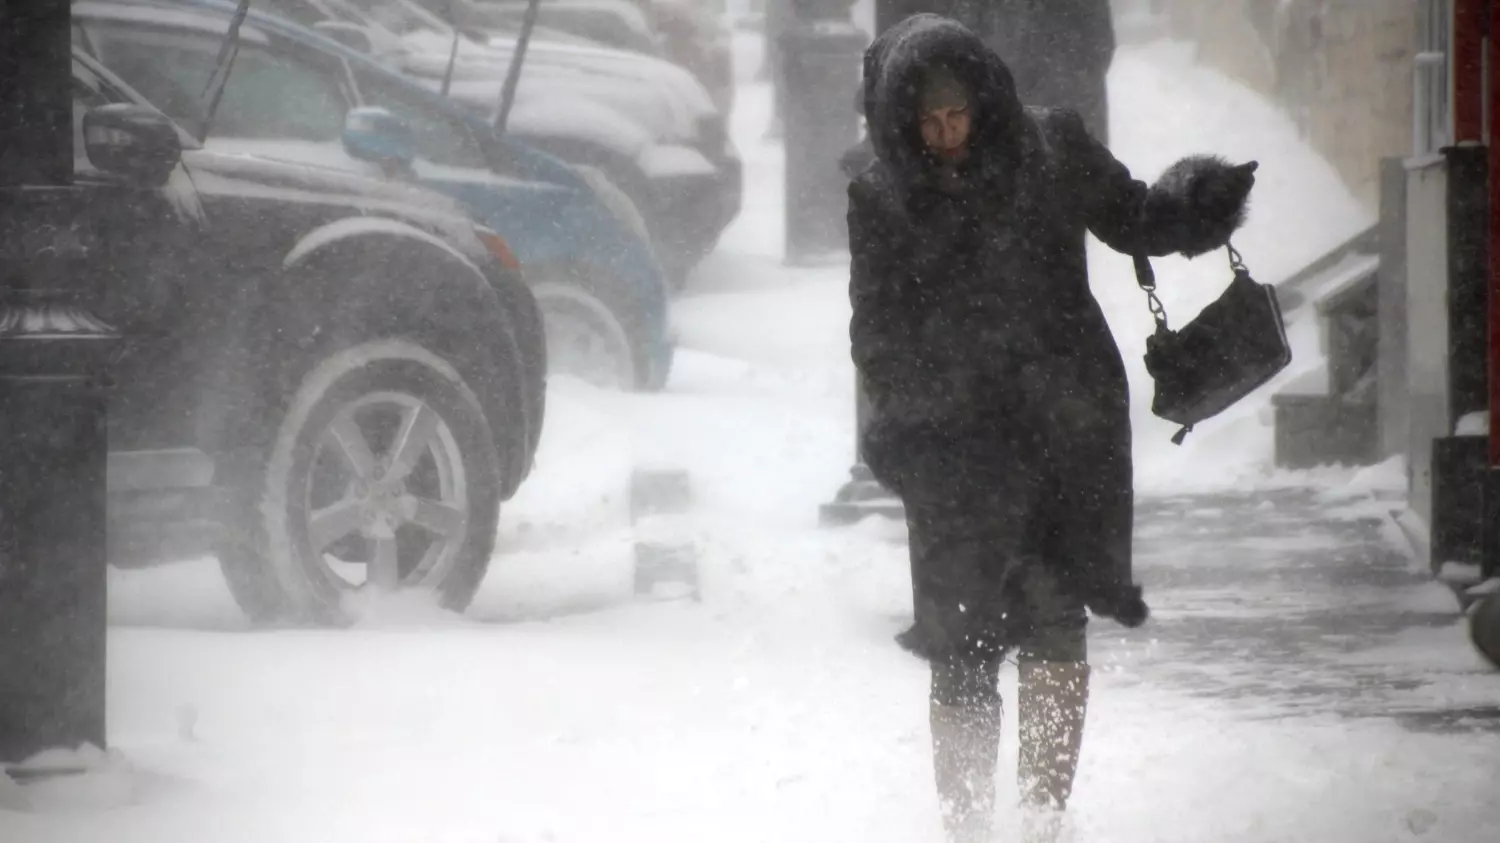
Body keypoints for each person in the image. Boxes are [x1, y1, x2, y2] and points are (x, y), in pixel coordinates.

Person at [845, 14, 1257, 843]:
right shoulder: (882, 192)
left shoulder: (1051, 149)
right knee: (960, 645)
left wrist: (1195, 205)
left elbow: (1134, 216)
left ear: (985, 100)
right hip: (953, 451)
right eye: (927, 121)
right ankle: (966, 828)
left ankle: (1041, 822)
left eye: (958, 114)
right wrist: (919, 418)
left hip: (1062, 434)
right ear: (901, 120)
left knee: (1052, 627)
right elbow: (876, 330)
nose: (947, 133)